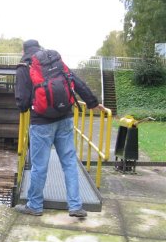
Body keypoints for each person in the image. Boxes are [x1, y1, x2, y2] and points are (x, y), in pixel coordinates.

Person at [14, 39, 105, 217]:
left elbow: (23, 104)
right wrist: (93, 102)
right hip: (65, 118)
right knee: (70, 162)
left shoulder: (24, 66)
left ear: (23, 50)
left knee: (39, 166)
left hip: (41, 123)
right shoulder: (55, 61)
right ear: (39, 48)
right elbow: (76, 81)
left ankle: (35, 206)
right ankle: (75, 206)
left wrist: (28, 102)